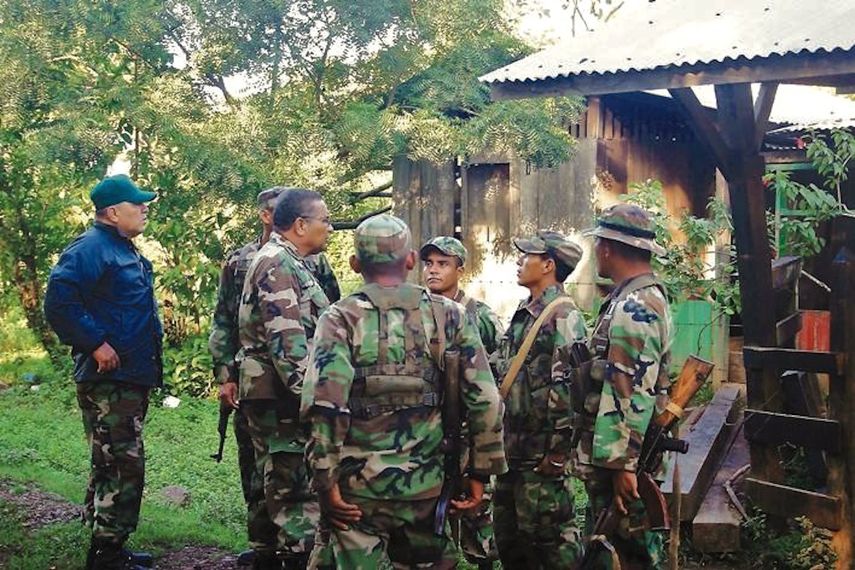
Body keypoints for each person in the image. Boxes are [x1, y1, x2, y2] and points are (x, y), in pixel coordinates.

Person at [301, 214, 507, 569]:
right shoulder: (451, 316)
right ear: (411, 260)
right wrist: (479, 473)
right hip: (428, 485)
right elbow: (486, 400)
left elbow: (325, 406)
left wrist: (325, 481)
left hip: (356, 492)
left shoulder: (339, 318)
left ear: (354, 263)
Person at [210, 188, 340, 566]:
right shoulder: (278, 264)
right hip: (283, 398)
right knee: (295, 493)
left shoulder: (289, 260)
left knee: (286, 485)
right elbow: (287, 345)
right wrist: (315, 400)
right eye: (325, 221)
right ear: (300, 225)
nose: (330, 228)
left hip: (279, 394)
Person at [44, 174, 161, 570]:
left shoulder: (120, 247)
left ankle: (105, 541)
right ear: (112, 212)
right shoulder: (92, 247)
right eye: (136, 203)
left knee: (111, 459)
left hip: (129, 377)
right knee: (123, 464)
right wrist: (95, 342)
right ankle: (107, 555)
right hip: (109, 379)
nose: (144, 208)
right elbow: (59, 303)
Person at [575, 203, 672, 569]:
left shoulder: (636, 305)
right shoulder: (632, 297)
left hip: (625, 461)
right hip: (622, 456)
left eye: (598, 243)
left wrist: (624, 466)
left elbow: (629, 391)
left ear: (607, 248)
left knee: (629, 555)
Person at [493, 230, 586, 569]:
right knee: (511, 540)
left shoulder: (563, 316)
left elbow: (568, 388)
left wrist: (558, 452)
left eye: (527, 256)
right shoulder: (525, 312)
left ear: (548, 265)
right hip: (512, 451)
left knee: (551, 543)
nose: (519, 261)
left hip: (541, 456)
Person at [420, 236, 504, 568]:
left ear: (460, 270)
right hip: (428, 431)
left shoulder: (478, 315)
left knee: (475, 512)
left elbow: (496, 374)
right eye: (429, 263)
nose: (433, 270)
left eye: (443, 264)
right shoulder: (416, 313)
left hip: (470, 431)